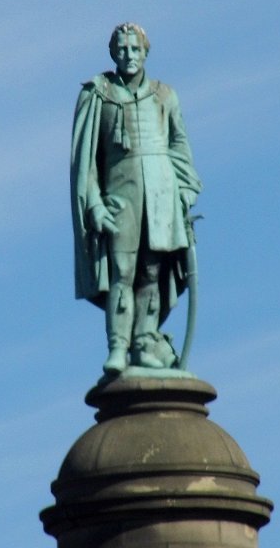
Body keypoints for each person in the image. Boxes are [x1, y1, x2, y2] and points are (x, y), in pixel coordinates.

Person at [71, 23, 201, 373]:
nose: (129, 55)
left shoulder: (164, 95)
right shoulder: (98, 93)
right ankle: (118, 347)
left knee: (152, 272)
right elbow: (85, 160)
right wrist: (94, 203)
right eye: (122, 49)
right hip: (121, 194)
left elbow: (179, 145)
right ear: (113, 53)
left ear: (146, 53)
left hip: (161, 193)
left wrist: (186, 189)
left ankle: (144, 340)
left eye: (135, 49)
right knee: (122, 272)